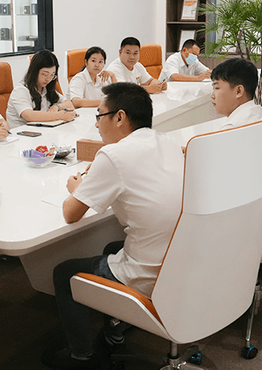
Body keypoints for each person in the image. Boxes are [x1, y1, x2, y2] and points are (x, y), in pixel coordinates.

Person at [42, 83, 184, 370]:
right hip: (182, 261)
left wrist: (77, 188)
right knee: (111, 247)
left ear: (119, 117)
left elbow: (71, 213)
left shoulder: (114, 155)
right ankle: (114, 332)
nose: (96, 124)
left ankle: (81, 357)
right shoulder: (167, 140)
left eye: (99, 116)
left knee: (63, 273)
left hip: (151, 273)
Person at [210, 58, 262, 220]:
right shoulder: (257, 114)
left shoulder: (234, 128)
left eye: (217, 88)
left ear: (239, 91)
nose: (212, 95)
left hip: (255, 218)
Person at [6, 50, 76, 128]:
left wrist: (57, 106)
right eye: (45, 74)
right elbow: (29, 116)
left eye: (52, 75)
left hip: (42, 131)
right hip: (23, 133)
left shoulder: (45, 89)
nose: (48, 79)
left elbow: (69, 104)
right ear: (34, 71)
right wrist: (60, 115)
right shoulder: (20, 91)